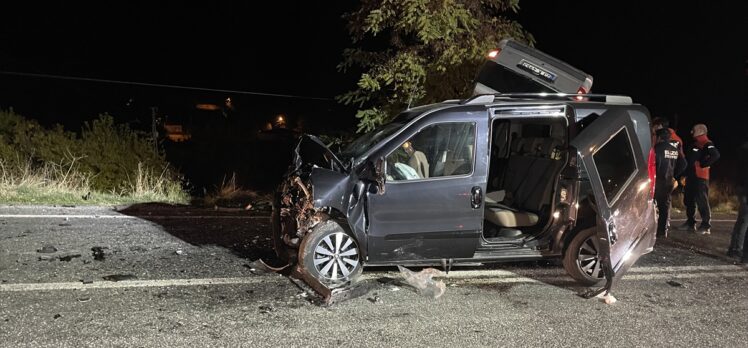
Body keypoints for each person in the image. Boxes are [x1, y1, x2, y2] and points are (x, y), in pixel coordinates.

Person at [677, 123, 720, 234]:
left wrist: (703, 164)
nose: (691, 132)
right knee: (689, 199)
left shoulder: (706, 143)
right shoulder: (695, 144)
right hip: (691, 176)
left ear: (700, 131)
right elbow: (690, 161)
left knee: (702, 200)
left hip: (700, 177)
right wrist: (685, 174)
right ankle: (691, 223)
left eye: (693, 130)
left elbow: (715, 155)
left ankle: (706, 226)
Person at [652, 120, 686, 238]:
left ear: (659, 137)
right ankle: (662, 231)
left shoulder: (656, 149)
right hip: (668, 181)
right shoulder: (674, 149)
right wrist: (674, 175)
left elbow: (652, 164)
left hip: (657, 181)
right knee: (664, 207)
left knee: (651, 206)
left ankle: (650, 231)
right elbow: (684, 164)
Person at [727, 135, 748, 263]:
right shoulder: (745, 152)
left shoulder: (743, 150)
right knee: (744, 220)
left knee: (743, 220)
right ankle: (737, 249)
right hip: (745, 188)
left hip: (743, 188)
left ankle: (734, 248)